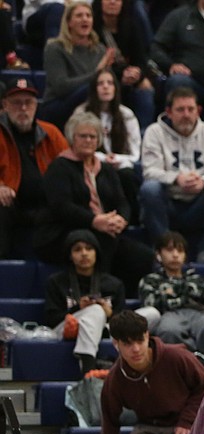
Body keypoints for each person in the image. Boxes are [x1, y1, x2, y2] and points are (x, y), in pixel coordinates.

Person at [33, 111, 154, 292]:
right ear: (72, 138)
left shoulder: (106, 169)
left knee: (143, 256)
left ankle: (124, 301)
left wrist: (120, 219)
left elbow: (122, 202)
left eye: (92, 136)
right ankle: (98, 296)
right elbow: (62, 207)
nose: (88, 140)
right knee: (99, 241)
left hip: (104, 228)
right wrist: (95, 221)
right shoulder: (59, 167)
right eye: (83, 136)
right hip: (63, 231)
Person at [140, 88, 204, 265]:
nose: (186, 114)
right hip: (168, 201)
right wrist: (176, 179)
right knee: (150, 189)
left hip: (200, 201)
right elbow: (149, 171)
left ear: (198, 111)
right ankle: (163, 251)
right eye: (180, 110)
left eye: (190, 109)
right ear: (169, 112)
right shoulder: (154, 132)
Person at [0, 76, 69, 259]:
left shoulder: (51, 133)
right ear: (5, 105)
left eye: (28, 102)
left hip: (45, 205)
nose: (23, 108)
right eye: (16, 103)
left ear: (36, 105)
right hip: (11, 204)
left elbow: (69, 168)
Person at [45, 229, 126, 375]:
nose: (84, 253)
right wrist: (78, 308)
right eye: (77, 249)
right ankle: (88, 368)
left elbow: (124, 320)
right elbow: (51, 320)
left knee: (152, 313)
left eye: (89, 248)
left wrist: (110, 313)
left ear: (96, 253)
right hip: (66, 329)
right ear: (70, 255)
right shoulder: (57, 282)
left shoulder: (114, 284)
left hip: (107, 327)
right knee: (95, 311)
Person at [137, 231, 204, 356]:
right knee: (169, 330)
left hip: (199, 313)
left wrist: (171, 294)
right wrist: (189, 294)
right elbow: (153, 304)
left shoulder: (198, 278)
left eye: (180, 251)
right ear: (158, 254)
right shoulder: (150, 280)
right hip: (167, 315)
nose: (175, 255)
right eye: (170, 250)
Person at [73, 68, 141, 222]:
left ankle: (130, 221)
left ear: (116, 88)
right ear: (93, 88)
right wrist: (103, 158)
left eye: (110, 83)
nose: (105, 87)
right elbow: (76, 146)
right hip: (91, 164)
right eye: (100, 83)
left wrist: (117, 158)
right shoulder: (82, 113)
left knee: (128, 176)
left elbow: (136, 153)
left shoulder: (126, 114)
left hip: (121, 164)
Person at [41, 2, 117, 128]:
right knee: (89, 89)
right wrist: (96, 73)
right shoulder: (55, 48)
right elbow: (61, 87)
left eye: (88, 15)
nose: (85, 19)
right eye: (79, 15)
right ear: (69, 22)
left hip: (92, 104)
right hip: (58, 106)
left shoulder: (100, 49)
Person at [150, 0, 204, 106]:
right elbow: (156, 47)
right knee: (178, 81)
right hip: (189, 81)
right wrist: (171, 65)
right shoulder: (179, 16)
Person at [91, 0, 154, 128]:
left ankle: (143, 133)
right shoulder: (93, 29)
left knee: (146, 89)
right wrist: (122, 75)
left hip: (129, 78)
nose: (113, 2)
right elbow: (95, 64)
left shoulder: (131, 25)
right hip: (105, 77)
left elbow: (141, 59)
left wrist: (138, 73)